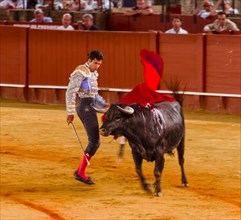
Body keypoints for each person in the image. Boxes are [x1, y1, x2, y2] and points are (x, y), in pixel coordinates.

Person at [66, 50, 108, 185]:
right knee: (95, 141)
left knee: (95, 141)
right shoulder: (80, 71)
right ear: (89, 60)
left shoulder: (93, 73)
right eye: (95, 63)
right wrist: (70, 112)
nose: (97, 66)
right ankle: (80, 173)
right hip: (84, 107)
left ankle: (80, 171)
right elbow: (71, 91)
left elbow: (94, 95)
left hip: (90, 106)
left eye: (99, 64)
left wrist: (104, 104)